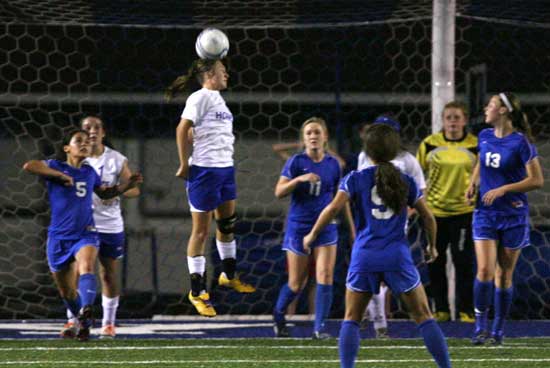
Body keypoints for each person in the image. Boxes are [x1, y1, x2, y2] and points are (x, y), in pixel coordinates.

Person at [304, 123, 451, 368]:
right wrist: (432, 246)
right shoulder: (405, 180)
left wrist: (311, 235)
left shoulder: (355, 178)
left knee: (351, 318)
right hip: (396, 255)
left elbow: (331, 210)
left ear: (367, 151)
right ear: (394, 151)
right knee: (424, 316)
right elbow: (428, 216)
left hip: (365, 255)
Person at [22, 129, 143, 341]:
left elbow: (105, 192)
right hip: (58, 237)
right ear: (67, 148)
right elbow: (30, 165)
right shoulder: (55, 166)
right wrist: (60, 176)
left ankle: (87, 308)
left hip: (85, 233)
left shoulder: (89, 172)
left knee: (87, 267)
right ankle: (83, 321)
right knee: (67, 293)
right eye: (79, 141)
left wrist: (127, 185)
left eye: (87, 141)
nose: (85, 144)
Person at [166, 58, 256, 318]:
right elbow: (182, 128)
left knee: (227, 224)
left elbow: (203, 131)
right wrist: (184, 164)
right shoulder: (200, 96)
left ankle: (228, 275)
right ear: (208, 74)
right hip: (204, 172)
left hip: (225, 169)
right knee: (201, 232)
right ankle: (197, 292)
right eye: (222, 71)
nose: (227, 74)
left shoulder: (219, 101)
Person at [467, 93, 543, 345]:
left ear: (503, 111)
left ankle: (498, 329)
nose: (485, 108)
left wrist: (504, 189)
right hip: (485, 214)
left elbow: (536, 180)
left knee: (503, 275)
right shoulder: (484, 136)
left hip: (513, 215)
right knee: (485, 270)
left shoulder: (521, 143)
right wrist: (472, 182)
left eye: (490, 105)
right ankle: (480, 327)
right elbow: (481, 159)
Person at [272, 116, 355, 339]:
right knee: (297, 283)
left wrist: (353, 230)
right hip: (299, 228)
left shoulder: (333, 165)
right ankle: (278, 316)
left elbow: (341, 198)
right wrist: (298, 180)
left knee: (325, 275)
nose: (313, 136)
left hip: (326, 227)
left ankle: (319, 329)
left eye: (317, 132)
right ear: (304, 138)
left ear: (325, 137)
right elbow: (279, 192)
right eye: (309, 133)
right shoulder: (296, 162)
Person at [60, 116, 141, 339]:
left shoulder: (116, 159)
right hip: (84, 223)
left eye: (97, 127)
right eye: (87, 128)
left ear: (104, 132)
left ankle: (108, 324)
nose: (92, 131)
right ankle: (74, 319)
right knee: (79, 270)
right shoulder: (78, 159)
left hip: (110, 224)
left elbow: (134, 190)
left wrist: (117, 190)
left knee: (108, 274)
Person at [357, 115, 427, 338]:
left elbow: (420, 196)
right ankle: (380, 322)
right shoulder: (365, 158)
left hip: (390, 227)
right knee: (382, 276)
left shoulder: (407, 160)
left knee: (373, 275)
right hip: (373, 226)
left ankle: (366, 320)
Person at [417, 101, 477, 323]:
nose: (452, 121)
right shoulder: (429, 145)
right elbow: (417, 174)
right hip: (434, 213)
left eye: (457, 117)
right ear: (442, 120)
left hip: (463, 212)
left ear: (465, 120)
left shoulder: (475, 145)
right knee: (435, 262)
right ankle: (440, 309)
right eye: (449, 117)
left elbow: (482, 175)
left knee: (463, 263)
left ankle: (466, 310)